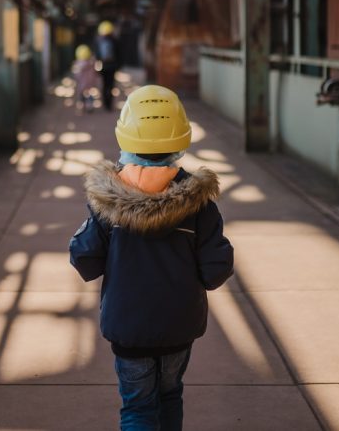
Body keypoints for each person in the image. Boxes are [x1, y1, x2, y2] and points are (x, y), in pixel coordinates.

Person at [69, 85, 234, 430]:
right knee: (170, 395)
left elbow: (85, 260)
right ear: (181, 137)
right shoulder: (201, 205)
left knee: (138, 408)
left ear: (125, 137)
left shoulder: (106, 203)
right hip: (180, 325)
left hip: (128, 328)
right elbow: (216, 269)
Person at [94, 20, 121, 110]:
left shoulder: (98, 41)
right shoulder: (115, 40)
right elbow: (119, 53)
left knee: (104, 84)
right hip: (112, 66)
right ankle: (109, 104)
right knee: (111, 84)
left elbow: (97, 55)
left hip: (103, 66)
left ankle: (105, 103)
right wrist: (118, 65)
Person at [72, 44, 99, 112]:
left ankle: (83, 105)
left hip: (81, 83)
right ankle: (90, 106)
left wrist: (76, 79)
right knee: (89, 94)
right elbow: (95, 73)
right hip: (90, 83)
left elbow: (76, 74)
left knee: (81, 94)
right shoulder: (91, 63)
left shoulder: (78, 64)